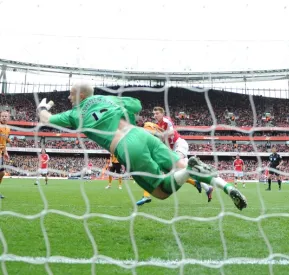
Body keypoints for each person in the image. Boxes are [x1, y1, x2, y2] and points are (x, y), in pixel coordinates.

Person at [37, 82, 247, 210]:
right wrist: (124, 112)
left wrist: (42, 107)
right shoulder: (106, 98)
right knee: (179, 165)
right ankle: (227, 187)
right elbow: (137, 104)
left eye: (71, 94)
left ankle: (189, 171)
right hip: (141, 134)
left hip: (125, 146)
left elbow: (46, 118)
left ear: (82, 96)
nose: (68, 97)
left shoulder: (74, 114)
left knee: (162, 192)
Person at [136, 121, 212, 206]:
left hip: (177, 146)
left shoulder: (147, 126)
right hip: (168, 149)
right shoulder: (152, 126)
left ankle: (206, 180)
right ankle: (201, 185)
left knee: (172, 169)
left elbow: (157, 135)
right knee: (176, 171)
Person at [153, 108, 214, 198]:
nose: (155, 115)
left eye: (157, 113)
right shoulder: (157, 125)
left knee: (176, 166)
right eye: (154, 114)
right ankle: (207, 188)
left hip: (180, 144)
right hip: (174, 149)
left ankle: (204, 169)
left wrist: (161, 135)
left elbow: (172, 132)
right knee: (184, 171)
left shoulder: (166, 120)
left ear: (162, 114)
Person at [0, 111, 10, 199]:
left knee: (2, 173)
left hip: (1, 152)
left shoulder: (7, 129)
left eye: (5, 116)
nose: (4, 117)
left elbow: (4, 142)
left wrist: (5, 152)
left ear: (8, 118)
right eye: (2, 116)